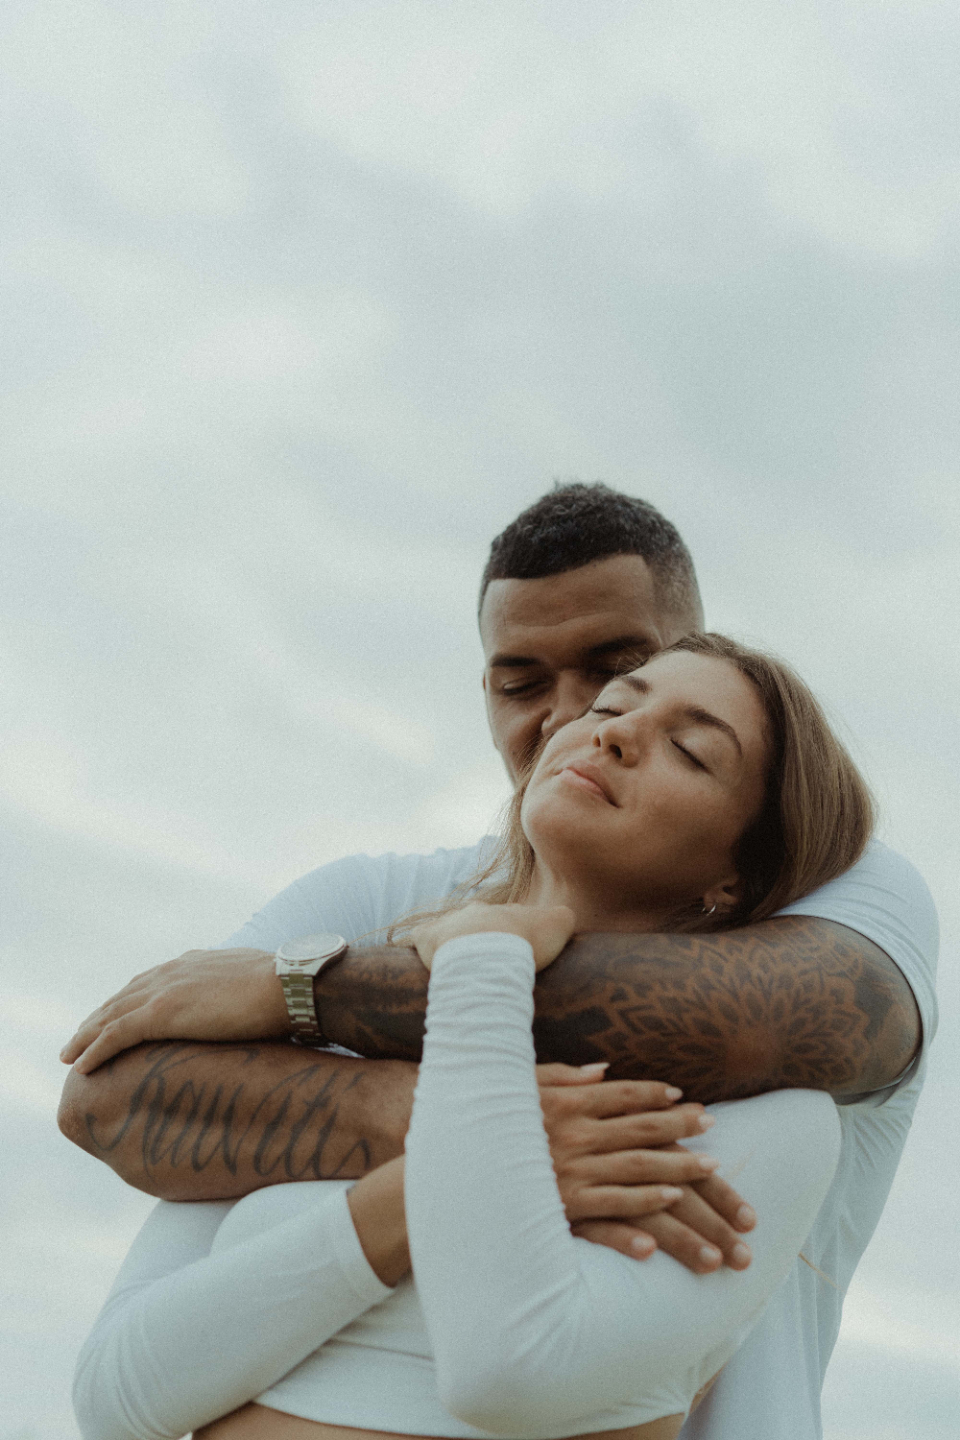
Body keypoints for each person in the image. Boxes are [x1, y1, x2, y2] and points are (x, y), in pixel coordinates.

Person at [59, 484, 938, 1440]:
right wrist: (468, 1135)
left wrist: (303, 991)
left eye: (616, 670)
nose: (575, 717)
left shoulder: (841, 887)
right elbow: (110, 1099)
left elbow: (776, 1014)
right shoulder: (370, 900)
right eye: (522, 684)